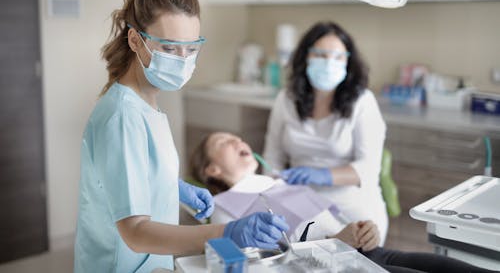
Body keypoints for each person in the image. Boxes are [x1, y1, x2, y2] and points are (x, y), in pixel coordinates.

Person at [74, 0, 288, 273]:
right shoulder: (123, 116)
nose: (183, 59)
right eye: (169, 48)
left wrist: (173, 187)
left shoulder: (146, 103)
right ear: (135, 40)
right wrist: (226, 233)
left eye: (191, 48)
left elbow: (128, 172)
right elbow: (135, 232)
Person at [189, 131, 499, 273]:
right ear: (211, 170)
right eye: (222, 143)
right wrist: (335, 242)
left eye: (238, 137)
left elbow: (335, 225)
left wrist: (365, 232)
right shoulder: (224, 207)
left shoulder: (279, 183)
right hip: (331, 266)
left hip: (370, 251)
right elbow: (260, 265)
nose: (237, 141)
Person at [263, 21, 390, 243]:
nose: (329, 62)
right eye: (320, 55)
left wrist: (323, 175)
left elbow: (368, 168)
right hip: (300, 202)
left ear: (348, 61)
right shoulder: (286, 99)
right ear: (305, 57)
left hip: (352, 203)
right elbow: (272, 157)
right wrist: (273, 188)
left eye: (337, 56)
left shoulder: (363, 101)